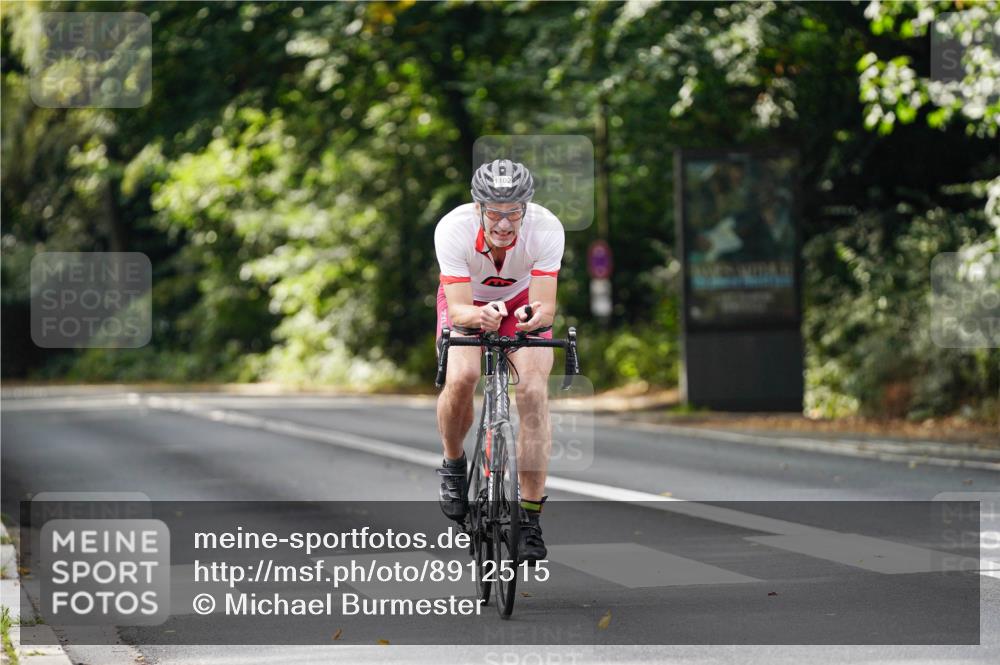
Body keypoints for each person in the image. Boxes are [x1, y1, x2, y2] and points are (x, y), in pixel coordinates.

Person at [433, 158, 565, 562]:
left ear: (526, 208)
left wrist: (531, 317)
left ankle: (529, 517)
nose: (504, 224)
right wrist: (480, 316)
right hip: (468, 302)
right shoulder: (453, 229)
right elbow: (458, 309)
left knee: (533, 392)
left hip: (522, 302)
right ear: (478, 208)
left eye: (513, 213)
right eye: (494, 213)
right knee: (462, 376)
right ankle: (453, 463)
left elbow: (545, 307)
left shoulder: (546, 228)